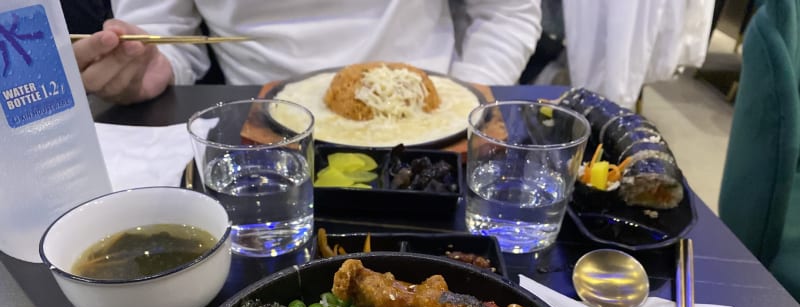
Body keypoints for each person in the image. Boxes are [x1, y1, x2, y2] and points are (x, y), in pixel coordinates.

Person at [73, 0, 542, 105]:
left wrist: (467, 101)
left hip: (436, 119)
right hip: (258, 127)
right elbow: (165, 31)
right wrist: (147, 63)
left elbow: (507, 11)